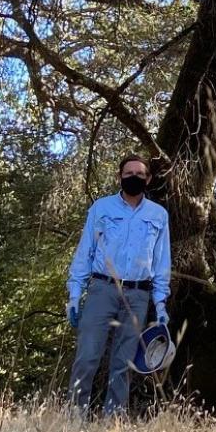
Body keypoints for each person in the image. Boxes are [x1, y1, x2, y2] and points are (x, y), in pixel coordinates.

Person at [65, 154, 171, 415]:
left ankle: (112, 422)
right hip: (102, 289)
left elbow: (161, 263)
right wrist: (74, 295)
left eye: (139, 174)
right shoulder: (101, 208)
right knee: (88, 356)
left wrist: (160, 304)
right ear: (119, 177)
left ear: (147, 179)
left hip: (138, 294)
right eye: (128, 173)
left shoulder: (158, 215)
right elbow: (84, 253)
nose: (133, 177)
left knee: (123, 362)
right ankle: (73, 418)